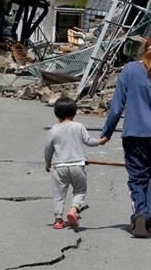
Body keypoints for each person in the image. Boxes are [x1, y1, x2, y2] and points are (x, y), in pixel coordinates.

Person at [100, 38, 151, 238]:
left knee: (138, 178)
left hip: (133, 134)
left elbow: (116, 107)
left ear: (143, 50)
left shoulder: (128, 70)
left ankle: (140, 213)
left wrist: (107, 132)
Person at [44, 97, 107, 229]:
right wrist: (100, 141)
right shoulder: (78, 127)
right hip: (77, 165)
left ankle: (58, 220)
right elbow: (88, 141)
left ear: (56, 113)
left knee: (59, 193)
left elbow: (48, 149)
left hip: (59, 167)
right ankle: (73, 209)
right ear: (74, 112)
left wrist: (47, 162)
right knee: (79, 190)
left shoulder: (53, 130)